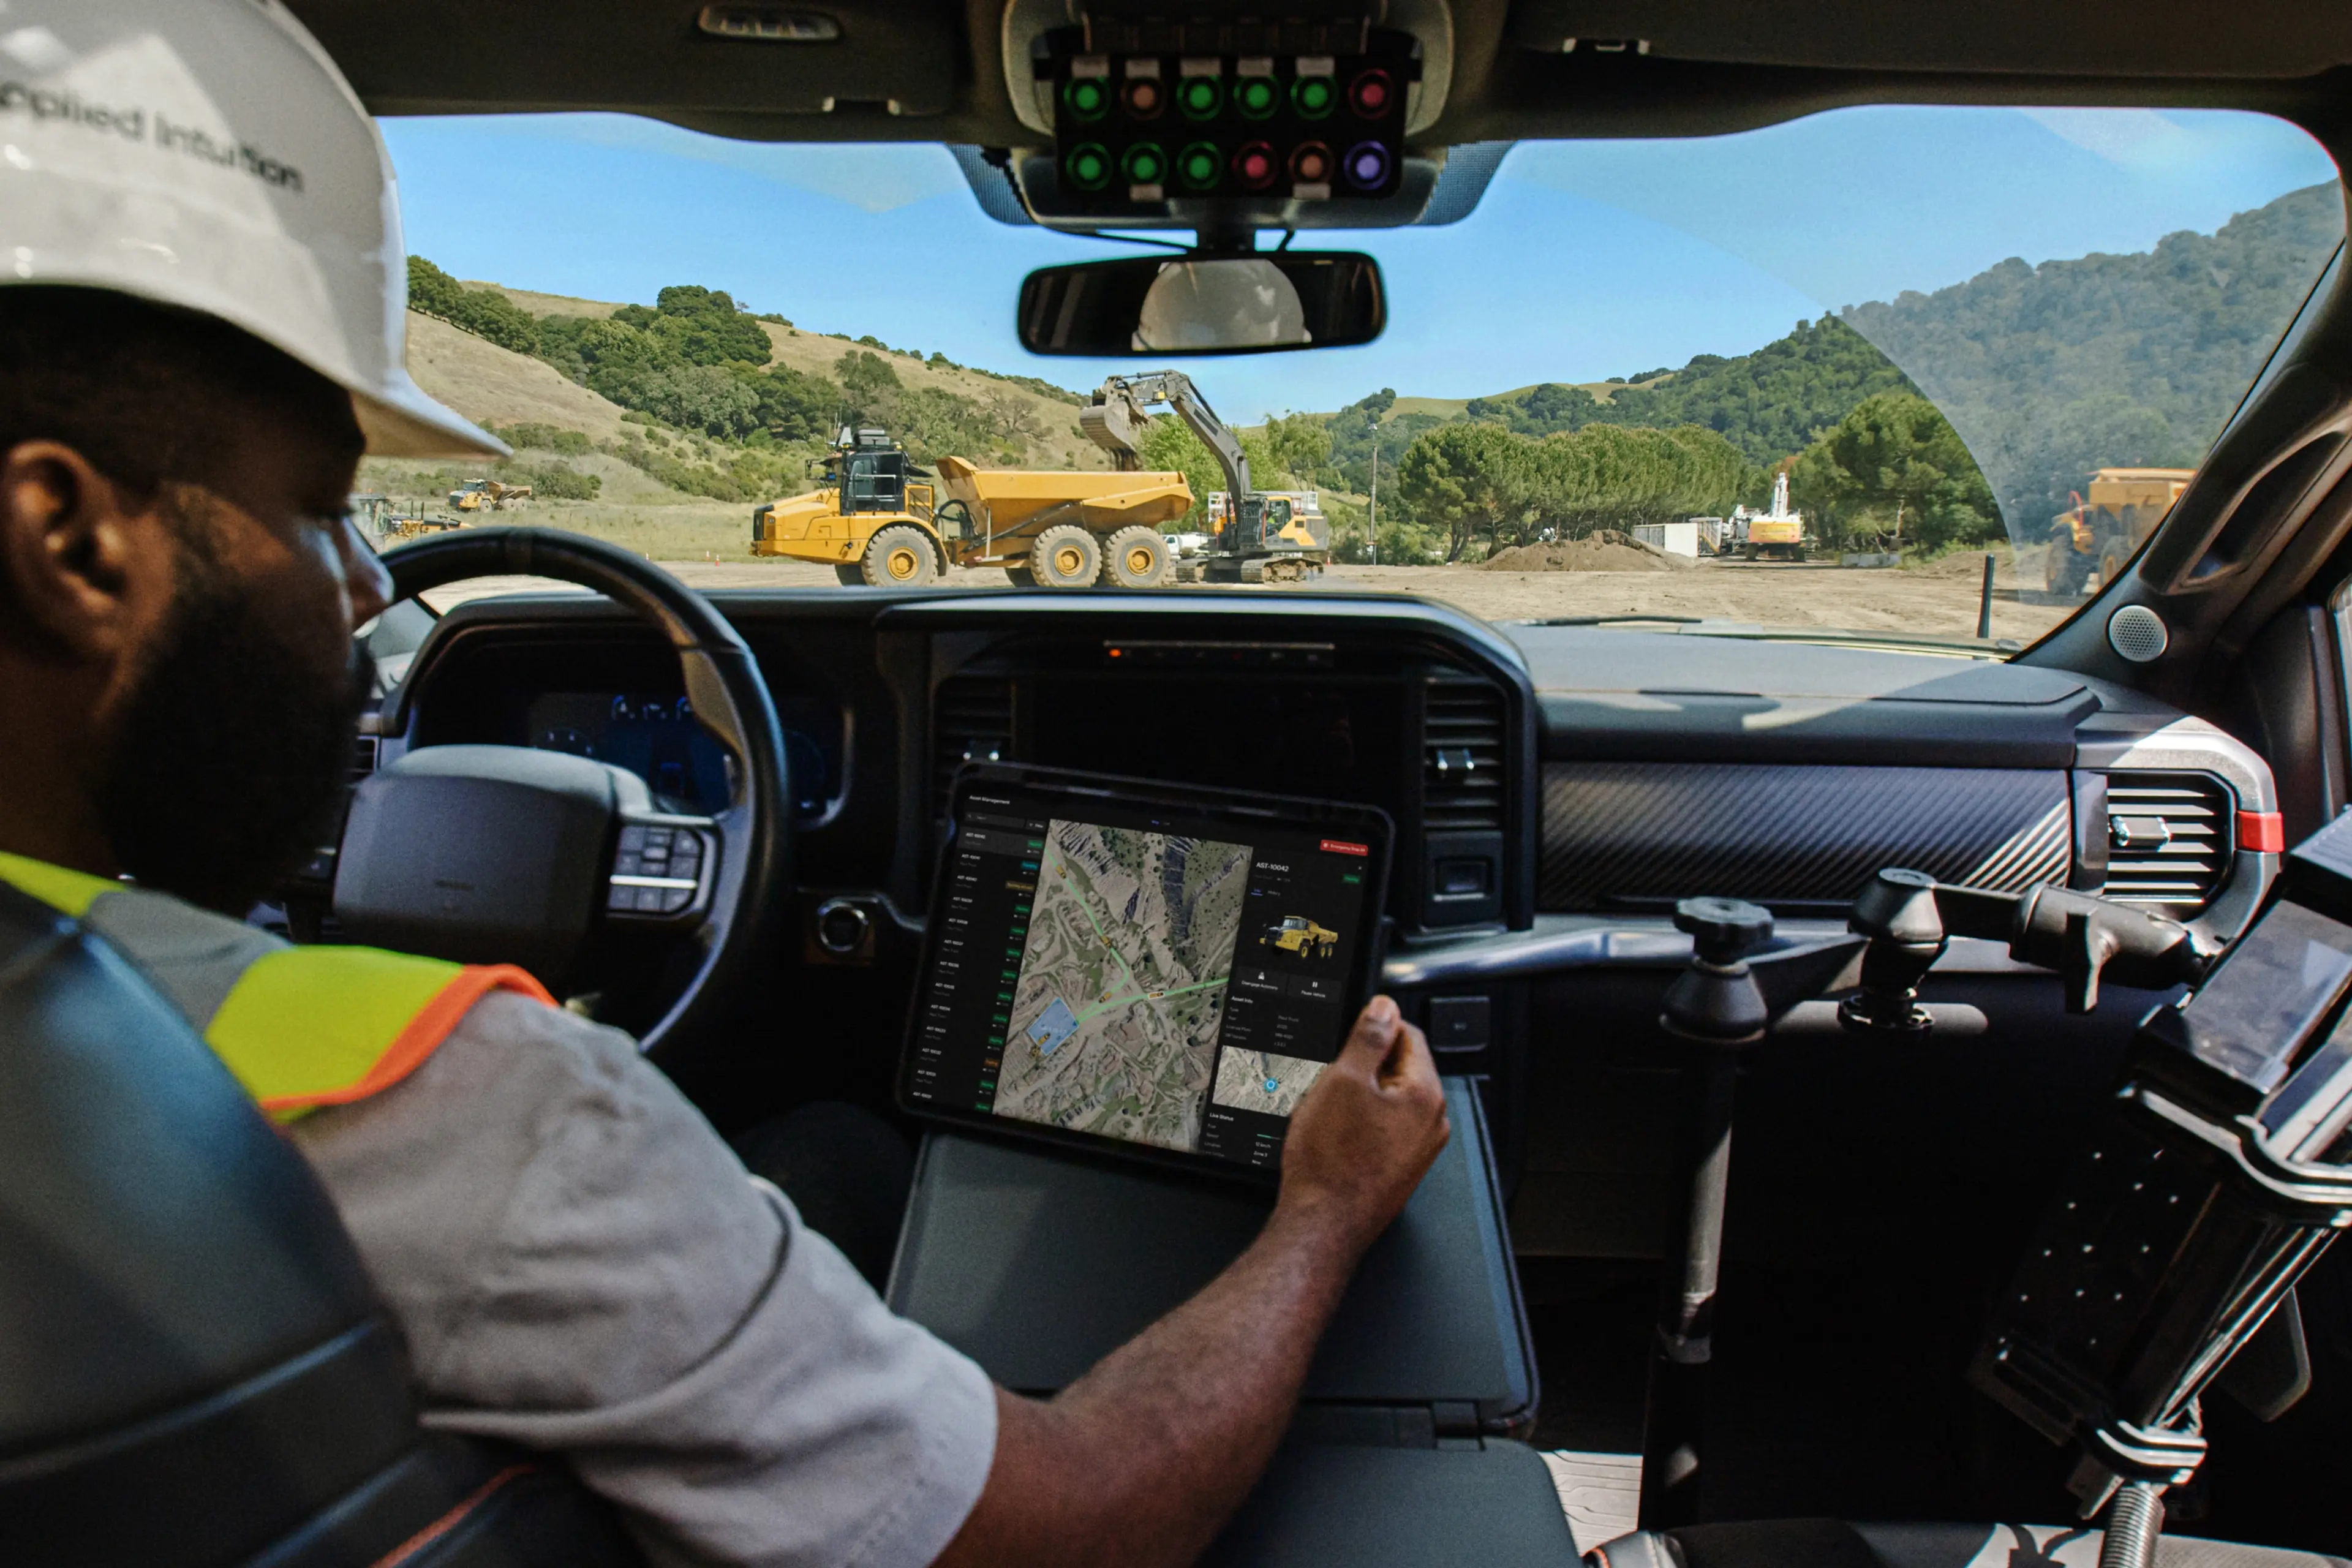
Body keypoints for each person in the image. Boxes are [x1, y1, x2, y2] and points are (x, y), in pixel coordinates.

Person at [0, 5, 1453, 1567]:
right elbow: (1087, 1523)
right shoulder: (481, 1110)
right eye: (324, 508)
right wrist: (1325, 1208)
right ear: (71, 544)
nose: (367, 586)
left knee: (837, 1144)